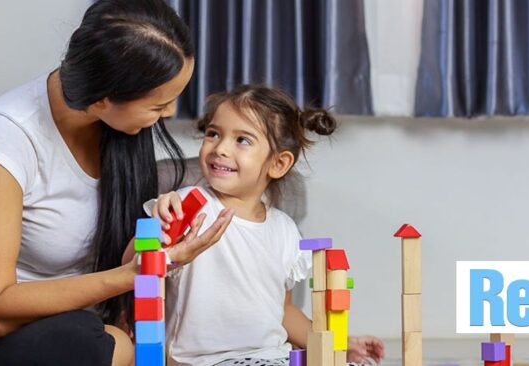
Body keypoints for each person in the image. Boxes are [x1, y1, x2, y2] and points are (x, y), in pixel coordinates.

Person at [0, 1, 233, 365]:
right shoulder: (7, 136)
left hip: (93, 331)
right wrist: (131, 275)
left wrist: (158, 237)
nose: (170, 113)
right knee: (86, 341)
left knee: (106, 339)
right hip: (1, 343)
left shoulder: (121, 128)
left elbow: (121, 252)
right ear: (102, 99)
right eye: (159, 105)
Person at [147, 85, 385, 366]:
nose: (220, 148)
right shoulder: (189, 205)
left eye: (242, 140)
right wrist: (158, 226)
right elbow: (137, 269)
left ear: (278, 163)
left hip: (272, 357)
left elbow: (283, 311)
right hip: (204, 361)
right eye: (214, 134)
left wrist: (339, 346)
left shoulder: (284, 230)